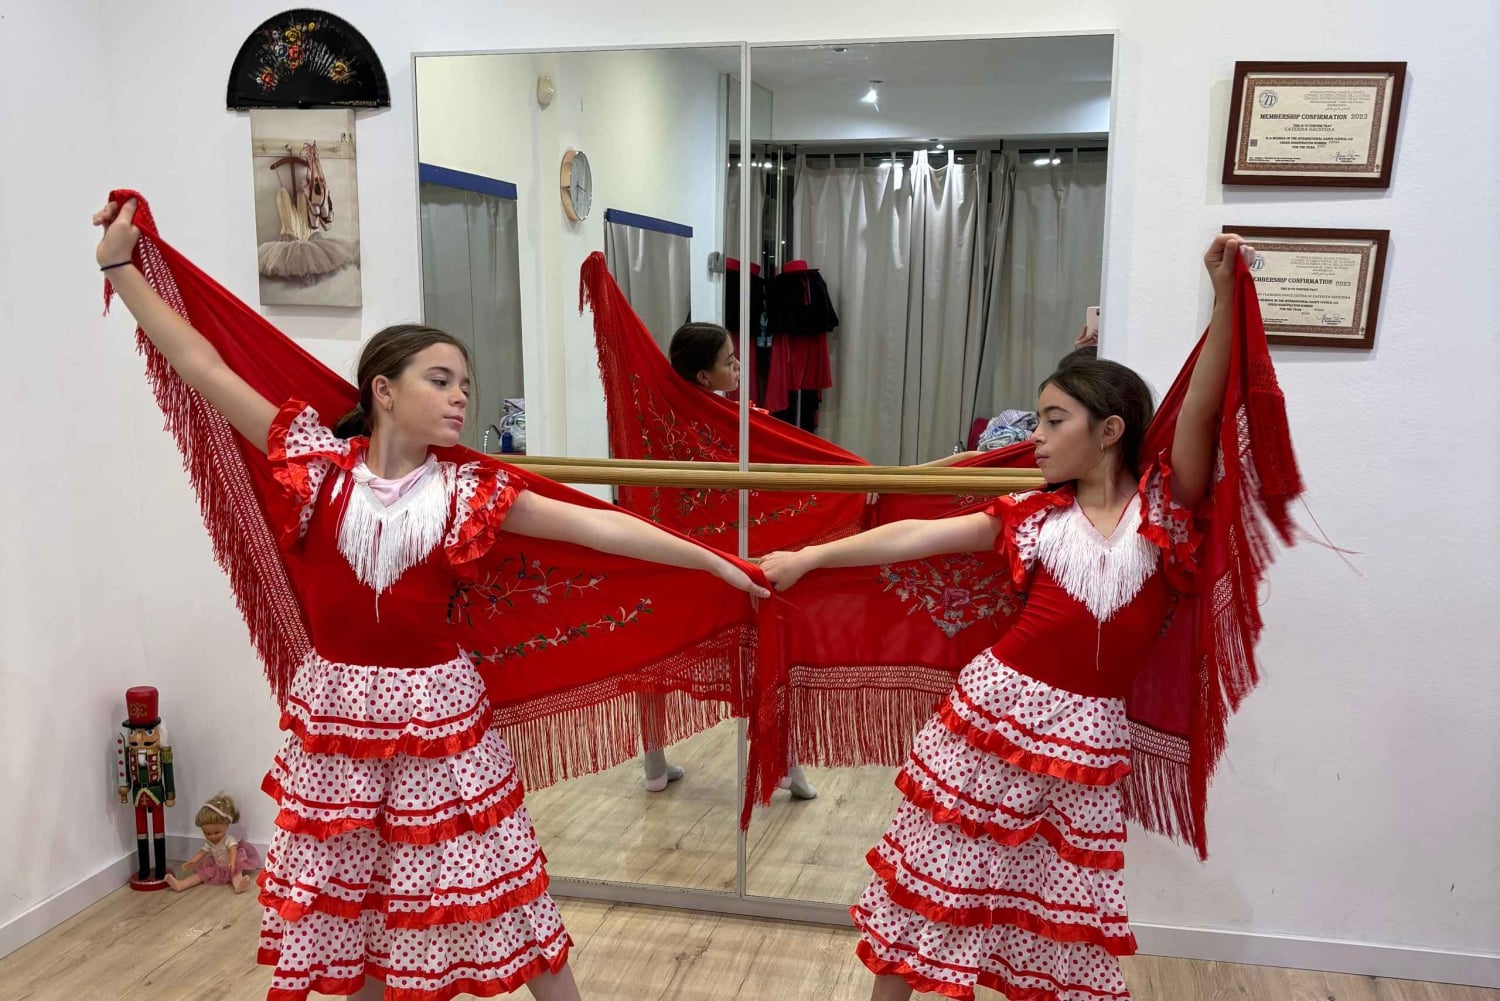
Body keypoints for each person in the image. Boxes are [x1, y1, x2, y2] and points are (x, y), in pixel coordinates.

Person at [94, 197, 767, 1001]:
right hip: (339, 718)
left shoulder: (473, 491)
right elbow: (201, 364)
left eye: (465, 385)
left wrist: (720, 563)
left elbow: (602, 530)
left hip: (438, 722)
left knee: (502, 882)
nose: (459, 398)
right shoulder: (312, 465)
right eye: (439, 380)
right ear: (382, 389)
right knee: (359, 902)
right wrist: (119, 268)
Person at [760, 235, 1286, 1001]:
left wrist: (1222, 297)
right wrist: (809, 555)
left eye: (1051, 421)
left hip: (1087, 740)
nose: (1031, 438)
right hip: (993, 720)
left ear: (1109, 432)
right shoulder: (1030, 517)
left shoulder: (1168, 509)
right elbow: (914, 536)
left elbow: (1203, 404)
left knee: (1060, 911)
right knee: (936, 882)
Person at [166, 793, 261, 894]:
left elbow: (232, 850)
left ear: (226, 825)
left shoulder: (228, 840)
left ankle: (238, 885)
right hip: (217, 866)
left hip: (230, 865)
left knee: (236, 873)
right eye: (207, 833)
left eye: (217, 832)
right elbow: (202, 852)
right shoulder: (209, 842)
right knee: (201, 874)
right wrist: (193, 861)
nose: (212, 836)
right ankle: (181, 884)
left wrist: (232, 862)